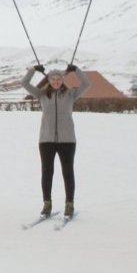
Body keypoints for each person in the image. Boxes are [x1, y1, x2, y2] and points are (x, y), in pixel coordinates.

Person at [21, 63, 91, 219]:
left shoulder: (71, 94)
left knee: (67, 172)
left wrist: (76, 70)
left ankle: (69, 204)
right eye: (52, 79)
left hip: (67, 140)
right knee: (47, 172)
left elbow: (87, 83)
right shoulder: (42, 94)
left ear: (62, 79)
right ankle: (47, 203)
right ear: (48, 80)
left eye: (58, 78)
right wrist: (33, 70)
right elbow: (24, 83)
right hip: (46, 140)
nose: (56, 81)